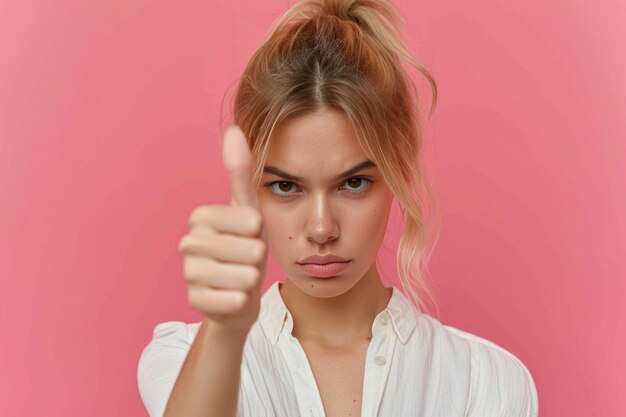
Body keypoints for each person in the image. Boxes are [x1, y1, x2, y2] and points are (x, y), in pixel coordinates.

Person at [137, 0, 539, 416]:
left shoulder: (486, 381)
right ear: (252, 188)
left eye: (353, 183)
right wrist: (224, 332)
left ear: (397, 174)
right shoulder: (181, 356)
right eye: (285, 186)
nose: (321, 228)